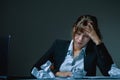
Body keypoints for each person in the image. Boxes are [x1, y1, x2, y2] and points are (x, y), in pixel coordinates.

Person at [32, 15, 115, 77]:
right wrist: (58, 73)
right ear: (74, 29)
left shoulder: (94, 52)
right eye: (78, 34)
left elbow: (109, 72)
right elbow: (35, 69)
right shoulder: (58, 45)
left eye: (86, 36)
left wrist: (97, 40)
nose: (80, 39)